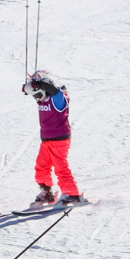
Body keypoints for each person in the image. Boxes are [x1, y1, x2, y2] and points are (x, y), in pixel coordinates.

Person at [23, 70, 83, 207]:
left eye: (39, 94)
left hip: (60, 139)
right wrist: (30, 87)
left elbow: (55, 92)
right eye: (35, 96)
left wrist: (42, 84)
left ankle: (72, 194)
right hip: (47, 139)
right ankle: (47, 192)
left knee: (61, 167)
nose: (38, 99)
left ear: (46, 88)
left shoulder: (58, 99)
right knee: (41, 166)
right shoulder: (43, 100)